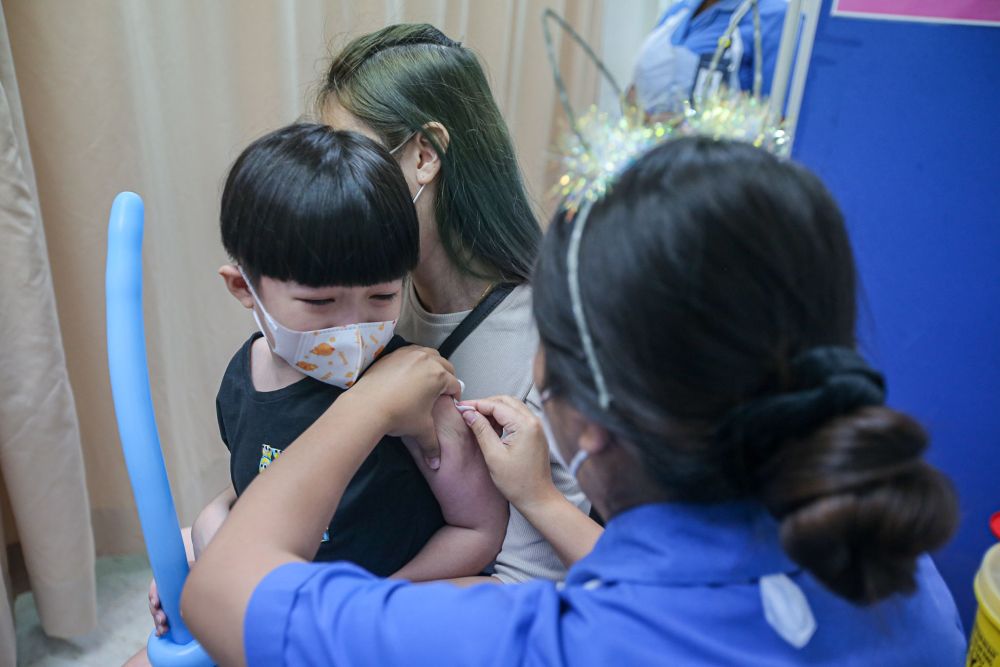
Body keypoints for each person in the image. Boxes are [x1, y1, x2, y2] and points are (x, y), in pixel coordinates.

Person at [183, 136, 966, 666]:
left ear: (579, 422)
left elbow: (222, 594)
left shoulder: (547, 643)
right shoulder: (901, 573)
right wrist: (544, 503)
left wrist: (368, 405)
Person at [143, 124, 508, 641]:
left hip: (381, 623)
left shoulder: (414, 390)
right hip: (286, 616)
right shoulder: (240, 380)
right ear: (243, 288)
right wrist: (201, 548)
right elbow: (261, 491)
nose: (353, 330)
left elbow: (479, 531)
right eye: (320, 303)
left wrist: (368, 607)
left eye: (382, 298)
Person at [318, 23, 591, 583]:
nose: (329, 189)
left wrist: (343, 613)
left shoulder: (548, 344)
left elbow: (524, 585)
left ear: (425, 156)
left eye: (350, 160)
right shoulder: (370, 305)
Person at [630, 0, 788, 117]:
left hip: (716, 159)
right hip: (650, 156)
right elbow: (635, 93)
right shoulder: (679, 12)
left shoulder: (773, 17)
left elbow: (777, 121)